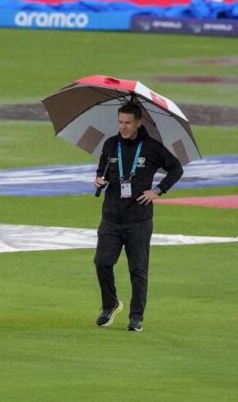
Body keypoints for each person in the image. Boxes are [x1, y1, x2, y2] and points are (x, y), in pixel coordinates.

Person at [92, 103, 183, 332]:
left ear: (138, 123)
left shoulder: (152, 147)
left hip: (139, 220)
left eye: (127, 123)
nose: (123, 127)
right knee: (102, 262)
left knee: (138, 270)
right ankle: (110, 304)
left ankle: (136, 317)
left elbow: (176, 168)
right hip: (111, 217)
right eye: (120, 122)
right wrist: (99, 180)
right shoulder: (111, 145)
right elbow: (102, 169)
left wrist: (158, 190)